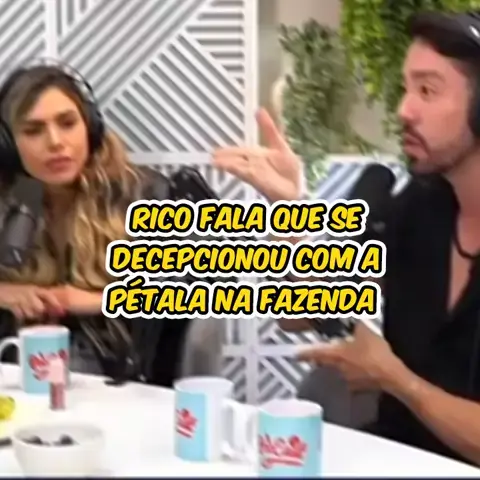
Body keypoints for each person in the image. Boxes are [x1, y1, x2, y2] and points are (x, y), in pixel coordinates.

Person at [213, 10, 480, 466]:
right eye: (406, 88)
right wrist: (289, 213)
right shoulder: (419, 206)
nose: (404, 110)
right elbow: (302, 315)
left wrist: (397, 380)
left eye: (427, 90)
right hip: (390, 460)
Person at [0, 61, 209, 385]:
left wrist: (88, 300)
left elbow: (197, 291)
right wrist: (5, 292)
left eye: (67, 123)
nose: (55, 142)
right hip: (19, 381)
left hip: (122, 381)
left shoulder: (146, 194)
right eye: (33, 130)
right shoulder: (7, 202)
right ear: (8, 145)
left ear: (90, 127)